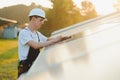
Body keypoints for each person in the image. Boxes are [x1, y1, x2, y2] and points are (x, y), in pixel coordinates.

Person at [18, 8, 70, 78]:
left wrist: (60, 39)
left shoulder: (37, 33)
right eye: (41, 20)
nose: (42, 22)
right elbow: (35, 45)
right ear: (33, 19)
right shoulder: (24, 33)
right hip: (25, 67)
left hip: (35, 65)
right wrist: (54, 41)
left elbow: (47, 40)